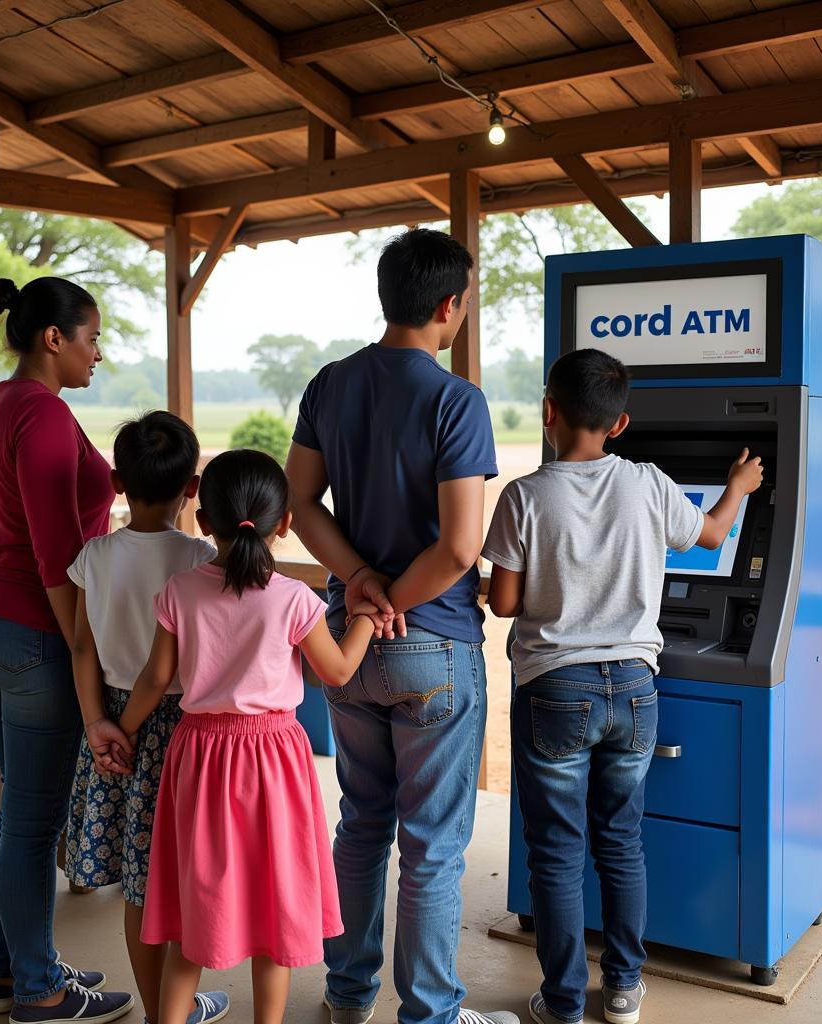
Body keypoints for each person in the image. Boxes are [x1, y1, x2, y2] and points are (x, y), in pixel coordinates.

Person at [483, 348, 764, 1024]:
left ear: (549, 412)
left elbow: (505, 602)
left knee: (554, 852)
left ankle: (563, 1003)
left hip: (556, 687)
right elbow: (715, 533)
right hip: (637, 690)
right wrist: (739, 484)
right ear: (620, 423)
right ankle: (625, 991)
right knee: (621, 842)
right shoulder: (649, 482)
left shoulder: (524, 495)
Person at [286, 228, 517, 1024]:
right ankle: (429, 1014)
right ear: (449, 304)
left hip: (347, 645)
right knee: (432, 848)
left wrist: (360, 587)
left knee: (360, 825)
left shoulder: (330, 384)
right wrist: (395, 599)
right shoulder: (457, 399)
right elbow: (459, 547)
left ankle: (346, 995)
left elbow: (299, 504)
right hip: (436, 647)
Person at [115, 449, 378, 1024]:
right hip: (273, 760)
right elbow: (335, 672)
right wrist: (364, 619)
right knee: (274, 907)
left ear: (203, 521)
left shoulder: (179, 591)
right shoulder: (293, 600)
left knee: (194, 910)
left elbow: (156, 679)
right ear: (283, 524)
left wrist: (121, 731)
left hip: (199, 756)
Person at [0, 277, 133, 1024]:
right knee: (33, 821)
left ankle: (13, 970)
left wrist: (133, 482)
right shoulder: (48, 417)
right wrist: (85, 651)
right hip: (28, 632)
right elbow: (58, 558)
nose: (97, 353)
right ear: (54, 339)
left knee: (18, 813)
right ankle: (38, 991)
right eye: (91, 338)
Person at [62, 411, 229, 1024]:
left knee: (137, 881)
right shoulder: (199, 558)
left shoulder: (95, 555)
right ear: (192, 488)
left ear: (114, 482)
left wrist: (97, 726)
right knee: (184, 877)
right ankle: (176, 1009)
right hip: (182, 731)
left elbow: (83, 646)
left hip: (110, 718)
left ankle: (160, 1005)